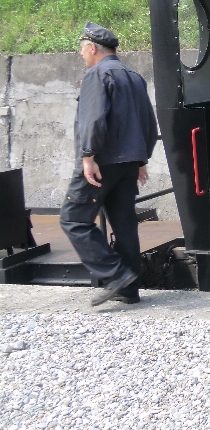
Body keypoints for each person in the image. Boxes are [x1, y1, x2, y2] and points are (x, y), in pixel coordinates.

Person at [59, 22, 159, 306]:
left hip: (102, 162)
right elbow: (148, 123)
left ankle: (115, 276)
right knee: (124, 223)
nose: (81, 55)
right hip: (129, 163)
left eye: (82, 49)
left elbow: (92, 119)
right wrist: (141, 159)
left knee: (74, 219)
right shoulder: (134, 76)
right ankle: (129, 290)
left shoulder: (95, 75)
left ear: (92, 48)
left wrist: (87, 157)